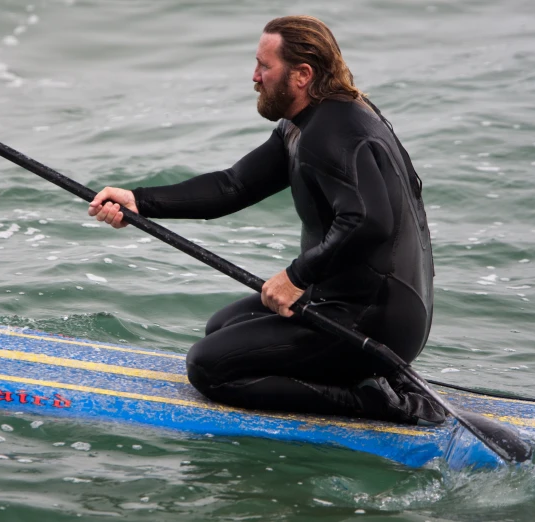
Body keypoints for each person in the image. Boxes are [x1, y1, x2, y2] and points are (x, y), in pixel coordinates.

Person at [88, 15, 445, 425]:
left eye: (264, 66)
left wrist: (295, 276)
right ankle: (370, 374)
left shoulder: (330, 134)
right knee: (222, 328)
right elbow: (233, 186)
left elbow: (369, 222)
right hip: (359, 302)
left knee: (209, 368)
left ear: (302, 74)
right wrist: (139, 201)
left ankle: (380, 403)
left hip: (374, 319)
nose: (254, 77)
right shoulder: (312, 122)